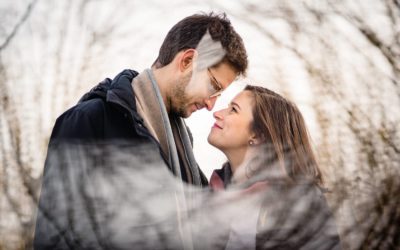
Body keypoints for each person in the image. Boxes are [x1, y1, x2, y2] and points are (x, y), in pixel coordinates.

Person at [34, 12, 248, 249]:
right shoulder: (91, 120)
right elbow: (57, 238)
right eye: (213, 87)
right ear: (187, 61)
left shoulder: (181, 143)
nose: (211, 104)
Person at [207, 85, 342, 249]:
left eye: (233, 110)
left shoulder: (302, 204)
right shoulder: (211, 191)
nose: (217, 113)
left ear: (257, 135)